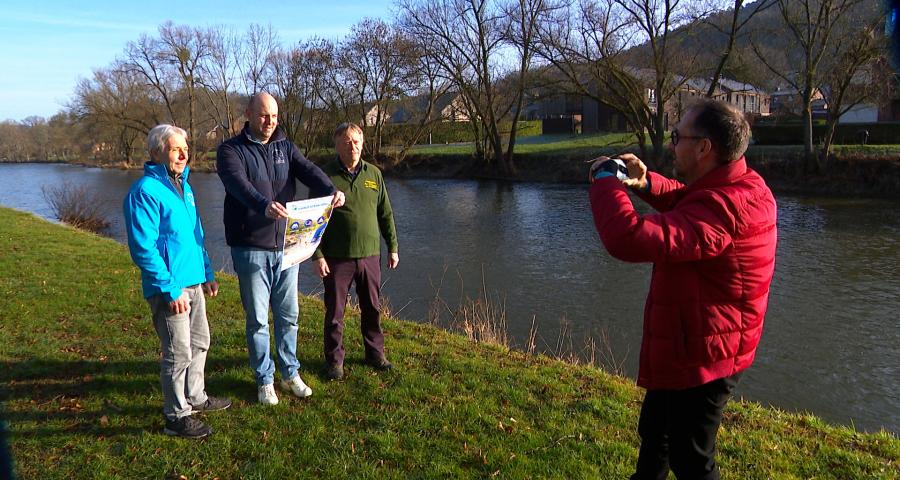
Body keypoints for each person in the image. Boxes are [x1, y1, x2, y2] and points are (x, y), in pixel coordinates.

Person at [587, 98, 777, 479]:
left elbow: (627, 237)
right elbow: (690, 202)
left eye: (677, 136)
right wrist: (643, 181)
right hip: (691, 342)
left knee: (691, 460)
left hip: (706, 356)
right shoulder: (740, 184)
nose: (672, 144)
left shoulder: (724, 210)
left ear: (704, 147)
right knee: (655, 434)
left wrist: (605, 180)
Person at [217, 92, 345, 405]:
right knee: (258, 320)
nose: (270, 122)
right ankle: (264, 380)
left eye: (274, 116)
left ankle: (290, 373)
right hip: (251, 247)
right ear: (248, 113)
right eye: (263, 116)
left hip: (288, 247)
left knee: (289, 315)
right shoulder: (230, 150)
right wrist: (263, 206)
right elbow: (238, 185)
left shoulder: (285, 146)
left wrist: (331, 191)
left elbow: (309, 170)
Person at [124, 124, 231, 439]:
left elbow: (195, 237)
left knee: (200, 342)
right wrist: (170, 289)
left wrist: (207, 273)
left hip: (194, 282)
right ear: (157, 152)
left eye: (185, 148)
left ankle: (196, 397)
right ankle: (176, 416)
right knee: (178, 352)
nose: (183, 154)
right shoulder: (144, 191)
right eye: (175, 148)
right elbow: (144, 248)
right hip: (170, 289)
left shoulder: (184, 186)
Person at [313, 123, 399, 381]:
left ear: (363, 143)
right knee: (335, 312)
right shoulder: (324, 177)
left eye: (357, 142)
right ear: (337, 145)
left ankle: (375, 353)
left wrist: (392, 247)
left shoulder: (374, 174)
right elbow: (312, 220)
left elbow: (385, 213)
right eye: (347, 142)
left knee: (372, 307)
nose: (353, 147)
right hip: (337, 258)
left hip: (370, 255)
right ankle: (335, 361)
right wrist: (317, 255)